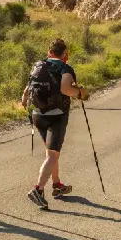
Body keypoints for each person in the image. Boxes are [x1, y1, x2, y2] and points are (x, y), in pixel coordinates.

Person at [20, 39, 89, 210]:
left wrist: (25, 101)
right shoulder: (65, 68)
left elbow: (27, 90)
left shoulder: (38, 65)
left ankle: (57, 184)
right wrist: (80, 93)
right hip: (56, 116)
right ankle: (38, 189)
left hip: (37, 114)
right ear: (65, 54)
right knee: (53, 155)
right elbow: (65, 89)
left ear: (49, 51)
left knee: (52, 153)